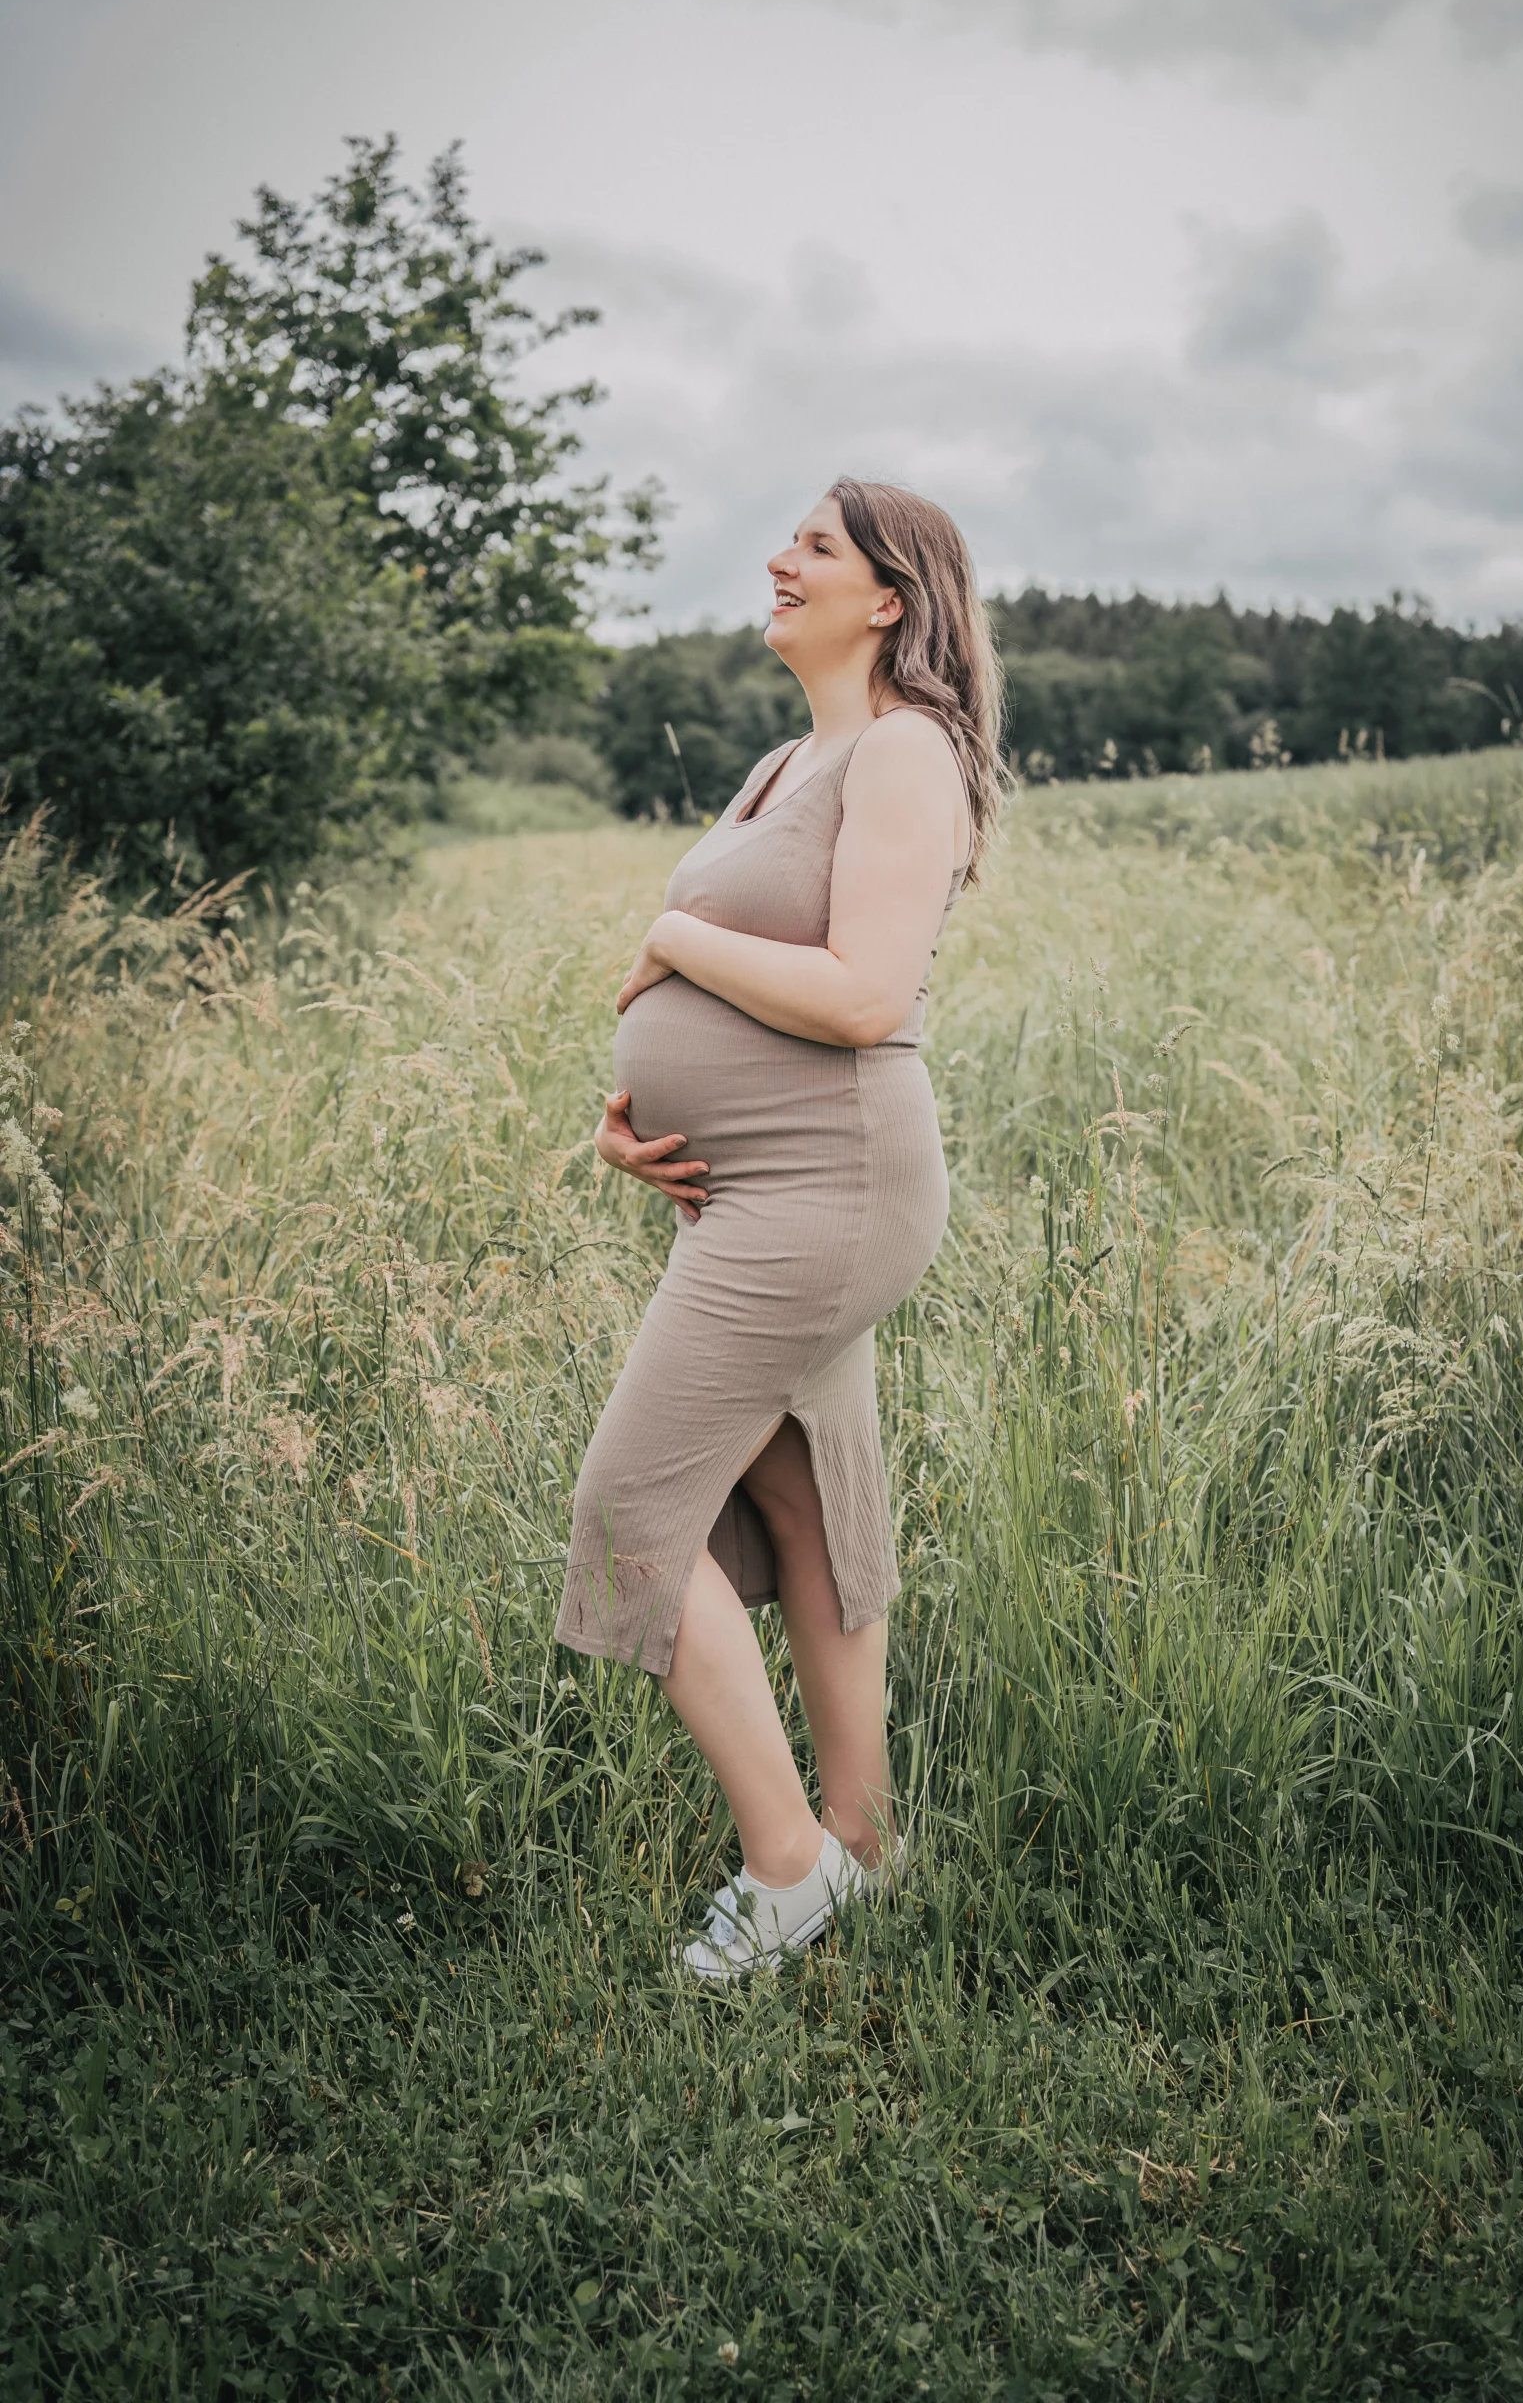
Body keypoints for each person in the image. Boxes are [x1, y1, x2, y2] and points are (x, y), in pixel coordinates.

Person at [555, 476, 1003, 1982]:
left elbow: (868, 997)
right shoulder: (780, 760)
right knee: (808, 1501)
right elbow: (744, 987)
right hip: (754, 1186)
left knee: (632, 1510)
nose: (778, 560)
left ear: (890, 596)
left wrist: (667, 939)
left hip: (831, 1184)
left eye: (814, 545)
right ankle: (864, 1846)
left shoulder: (903, 752)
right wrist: (636, 1122)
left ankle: (786, 1866)